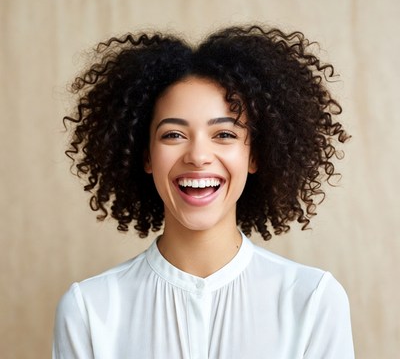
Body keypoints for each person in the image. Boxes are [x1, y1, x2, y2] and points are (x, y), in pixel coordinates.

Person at [53, 25, 354, 358]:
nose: (197, 156)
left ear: (254, 155)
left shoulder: (312, 301)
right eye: (173, 135)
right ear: (146, 156)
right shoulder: (89, 310)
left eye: (224, 134)